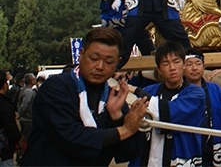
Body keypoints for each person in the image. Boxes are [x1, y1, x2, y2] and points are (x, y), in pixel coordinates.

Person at [21, 28, 148, 166]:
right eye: (94, 58)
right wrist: (125, 129)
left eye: (109, 61)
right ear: (81, 55)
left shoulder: (113, 98)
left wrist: (118, 117)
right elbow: (70, 138)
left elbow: (131, 152)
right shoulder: (55, 88)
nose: (100, 66)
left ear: (118, 62)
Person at [132, 41, 206, 167]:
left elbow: (174, 113)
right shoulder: (150, 91)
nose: (172, 68)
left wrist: (135, 91)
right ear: (159, 70)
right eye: (166, 64)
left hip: (181, 157)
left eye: (176, 62)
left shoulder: (196, 93)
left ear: (183, 65)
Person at [0, 76, 21, 167]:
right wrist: (19, 139)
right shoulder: (5, 105)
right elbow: (11, 128)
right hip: (4, 152)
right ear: (4, 85)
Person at [17, 73, 35, 158]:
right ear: (31, 81)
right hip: (27, 119)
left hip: (25, 118)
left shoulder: (23, 89)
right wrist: (19, 114)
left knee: (24, 138)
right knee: (26, 139)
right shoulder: (29, 91)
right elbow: (24, 104)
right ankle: (23, 155)